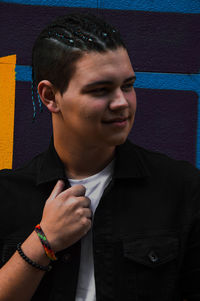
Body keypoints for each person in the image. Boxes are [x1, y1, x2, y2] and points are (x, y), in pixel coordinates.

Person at [0, 12, 199, 301]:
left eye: (127, 86)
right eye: (100, 90)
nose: (121, 102)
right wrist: (43, 241)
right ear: (50, 97)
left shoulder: (182, 189)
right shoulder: (7, 196)